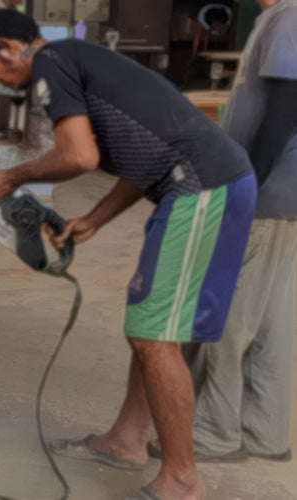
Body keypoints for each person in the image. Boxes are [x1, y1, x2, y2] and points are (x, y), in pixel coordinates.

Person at [0, 9, 256, 500]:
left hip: (202, 188)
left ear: (10, 46)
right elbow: (144, 154)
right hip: (195, 183)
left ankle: (182, 482)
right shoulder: (79, 59)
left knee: (153, 336)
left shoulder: (50, 64)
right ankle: (125, 440)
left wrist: (12, 176)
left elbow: (79, 156)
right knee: (150, 324)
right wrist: (95, 219)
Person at [181, 0, 297, 464]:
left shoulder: (290, 16)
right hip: (284, 193)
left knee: (227, 316)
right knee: (271, 318)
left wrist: (245, 184)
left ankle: (215, 433)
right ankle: (264, 432)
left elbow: (287, 104)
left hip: (268, 192)